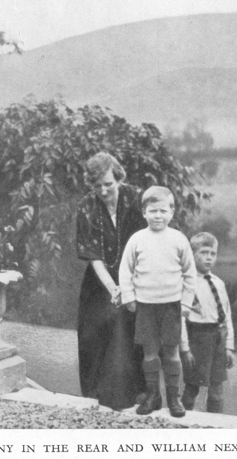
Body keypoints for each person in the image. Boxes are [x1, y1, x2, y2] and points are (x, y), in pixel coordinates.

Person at [75, 152, 147, 410]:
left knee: (129, 333)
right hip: (100, 282)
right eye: (97, 186)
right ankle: (97, 400)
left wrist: (132, 285)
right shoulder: (86, 206)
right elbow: (94, 258)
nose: (104, 191)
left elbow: (151, 240)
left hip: (139, 276)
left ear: (118, 178)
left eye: (108, 184)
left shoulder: (138, 199)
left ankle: (136, 396)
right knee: (95, 334)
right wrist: (114, 289)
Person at [119, 186, 196, 417]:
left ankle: (174, 398)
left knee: (172, 353)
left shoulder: (178, 239)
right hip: (145, 306)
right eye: (153, 211)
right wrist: (129, 296)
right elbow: (126, 270)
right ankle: (153, 396)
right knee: (150, 354)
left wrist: (186, 303)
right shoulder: (137, 239)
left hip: (171, 306)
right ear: (144, 212)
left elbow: (190, 273)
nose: (158, 216)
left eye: (163, 210)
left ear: (172, 212)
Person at [180, 232, 235, 414]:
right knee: (192, 388)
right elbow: (181, 317)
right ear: (192, 254)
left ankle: (215, 425)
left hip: (218, 337)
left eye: (213, 253)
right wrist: (185, 348)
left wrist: (229, 347)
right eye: (204, 253)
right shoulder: (187, 283)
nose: (209, 258)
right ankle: (182, 423)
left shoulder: (218, 283)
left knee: (217, 390)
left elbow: (226, 316)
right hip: (197, 338)